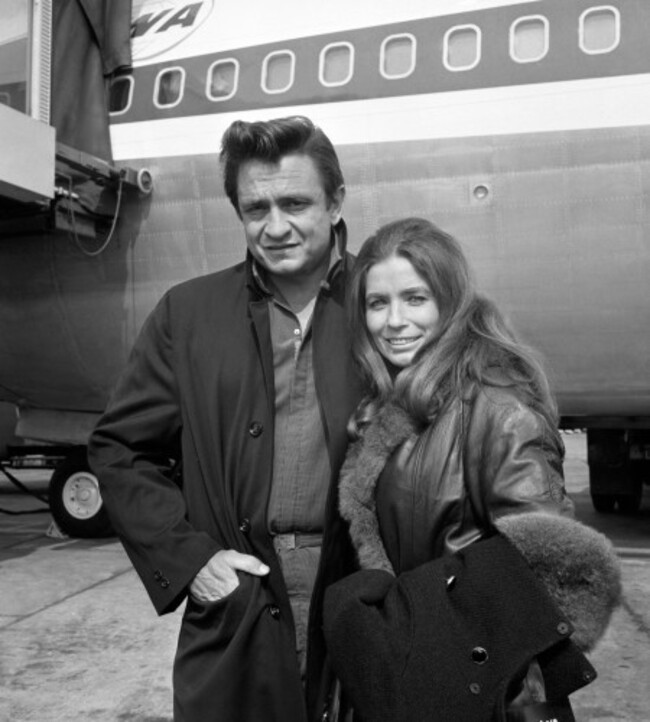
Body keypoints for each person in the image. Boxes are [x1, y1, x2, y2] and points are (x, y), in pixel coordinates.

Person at [88, 116, 362, 722]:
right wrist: (192, 562)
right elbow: (119, 449)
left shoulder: (387, 306)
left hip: (363, 596)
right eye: (255, 207)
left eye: (295, 202)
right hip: (241, 597)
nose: (276, 226)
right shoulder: (188, 314)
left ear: (337, 200)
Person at [322, 218, 621, 722]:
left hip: (489, 698)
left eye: (415, 299)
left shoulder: (496, 406)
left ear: (451, 301)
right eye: (378, 303)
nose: (393, 321)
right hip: (423, 684)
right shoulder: (399, 403)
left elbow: (557, 575)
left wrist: (424, 637)